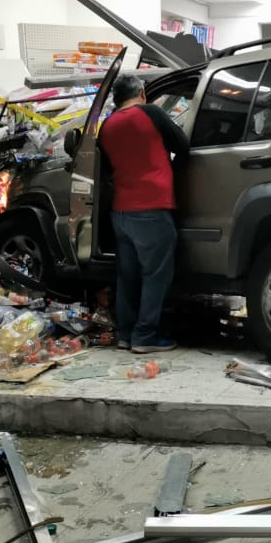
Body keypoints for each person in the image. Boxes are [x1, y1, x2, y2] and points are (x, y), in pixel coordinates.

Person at [97, 74, 189, 354]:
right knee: (156, 274)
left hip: (121, 212)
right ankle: (145, 336)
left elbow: (105, 169)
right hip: (151, 207)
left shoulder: (107, 125)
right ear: (142, 93)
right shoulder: (150, 113)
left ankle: (126, 334)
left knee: (128, 276)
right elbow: (182, 145)